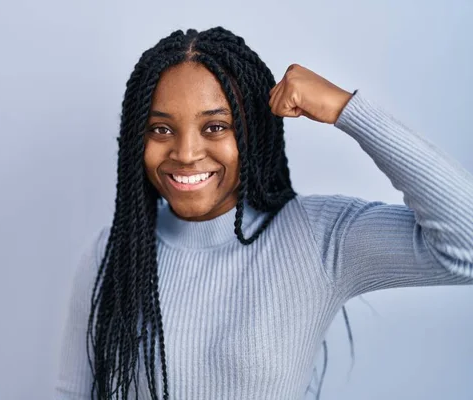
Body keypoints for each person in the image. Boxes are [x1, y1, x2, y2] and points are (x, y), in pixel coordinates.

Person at [54, 27, 473, 400]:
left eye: (215, 126)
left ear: (252, 131)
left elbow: (465, 248)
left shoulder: (316, 238)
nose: (185, 154)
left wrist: (349, 110)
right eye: (161, 129)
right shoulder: (113, 253)